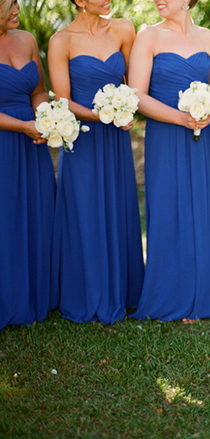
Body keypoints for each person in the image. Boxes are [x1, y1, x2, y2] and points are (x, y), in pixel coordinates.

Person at [129, 0, 210, 321]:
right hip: (167, 135)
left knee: (207, 207)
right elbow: (137, 94)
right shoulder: (148, 37)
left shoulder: (209, 38)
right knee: (170, 206)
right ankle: (172, 293)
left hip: (207, 135)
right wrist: (181, 117)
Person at [48, 0, 144, 324]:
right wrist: (106, 114)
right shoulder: (61, 41)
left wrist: (126, 109)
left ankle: (123, 292)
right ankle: (85, 292)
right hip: (83, 138)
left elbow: (134, 84)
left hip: (116, 139)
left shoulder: (123, 29)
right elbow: (63, 99)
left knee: (117, 206)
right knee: (85, 210)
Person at [0, 0, 55, 330]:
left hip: (32, 142)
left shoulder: (27, 39)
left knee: (34, 213)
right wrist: (22, 126)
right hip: (7, 139)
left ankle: (34, 296)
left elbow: (38, 90)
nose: (17, 6)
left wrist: (44, 118)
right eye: (9, 2)